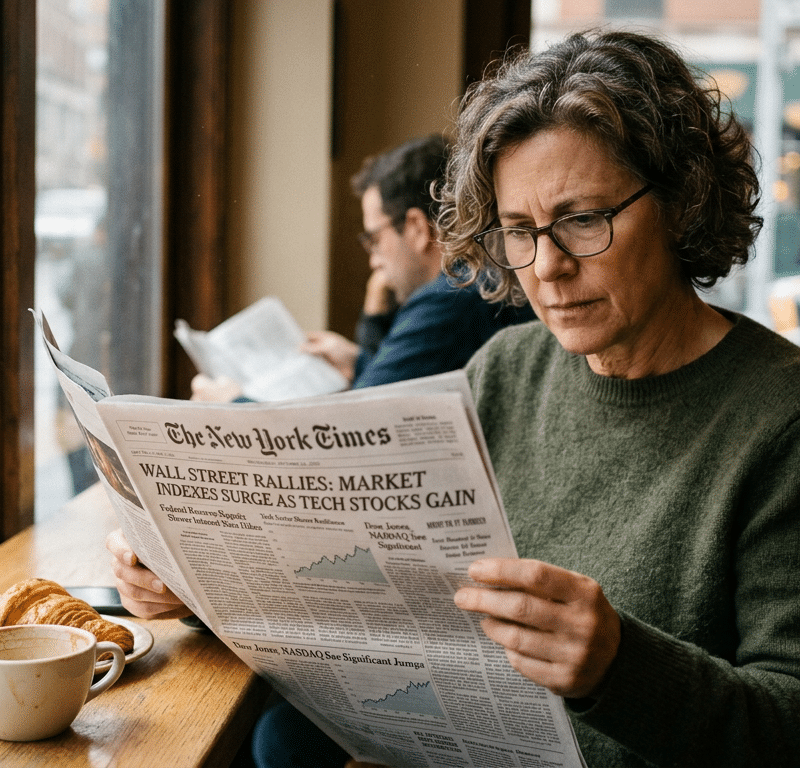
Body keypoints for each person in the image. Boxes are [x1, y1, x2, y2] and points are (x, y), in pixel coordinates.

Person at [107, 29, 800, 767]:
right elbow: (373, 586)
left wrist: (619, 666)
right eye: (518, 232)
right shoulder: (507, 367)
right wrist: (198, 588)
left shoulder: (777, 418)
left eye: (583, 219)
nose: (548, 267)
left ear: (681, 203)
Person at [191, 134, 534, 401]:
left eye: (374, 239)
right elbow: (392, 389)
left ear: (415, 227)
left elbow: (359, 423)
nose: (374, 261)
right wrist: (357, 360)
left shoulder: (452, 296)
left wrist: (233, 404)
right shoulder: (475, 279)